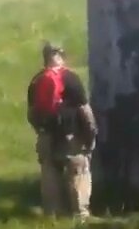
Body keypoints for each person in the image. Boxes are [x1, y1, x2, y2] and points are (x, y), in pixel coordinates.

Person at [26, 43, 96, 219]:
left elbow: (31, 113)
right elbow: (85, 111)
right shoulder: (71, 78)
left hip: (46, 135)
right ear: (62, 56)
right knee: (78, 172)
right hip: (70, 136)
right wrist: (90, 135)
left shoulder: (36, 80)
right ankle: (81, 214)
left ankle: (52, 214)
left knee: (50, 173)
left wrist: (41, 131)